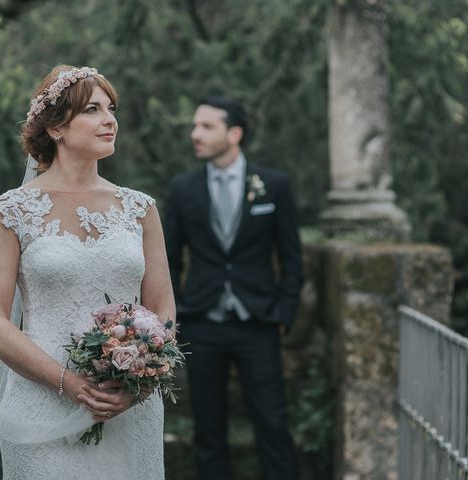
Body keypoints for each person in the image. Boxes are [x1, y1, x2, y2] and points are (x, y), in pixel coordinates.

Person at [0, 65, 175, 479]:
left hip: (127, 406)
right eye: (92, 109)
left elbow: (162, 308)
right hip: (42, 400)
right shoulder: (12, 211)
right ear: (55, 128)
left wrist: (138, 383)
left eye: (111, 108)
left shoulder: (141, 209)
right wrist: (69, 383)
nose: (109, 120)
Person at [164, 96, 303, 480]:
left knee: (273, 424)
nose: (196, 134)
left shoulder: (274, 186)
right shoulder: (183, 189)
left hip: (258, 323)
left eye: (207, 126)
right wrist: (175, 318)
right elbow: (169, 260)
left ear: (235, 133)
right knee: (208, 431)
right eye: (195, 126)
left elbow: (292, 258)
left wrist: (282, 315)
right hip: (202, 325)